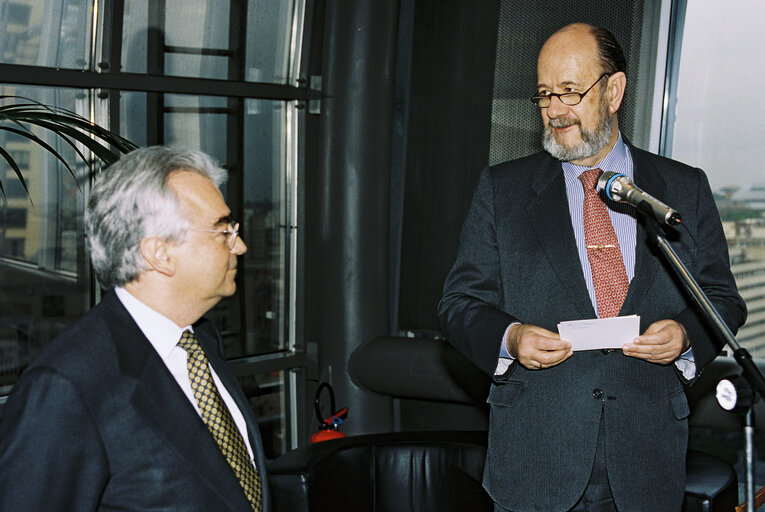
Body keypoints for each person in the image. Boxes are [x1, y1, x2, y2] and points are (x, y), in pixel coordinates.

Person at [438, 23, 746, 512]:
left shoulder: (681, 189)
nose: (555, 110)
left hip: (648, 463)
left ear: (614, 90)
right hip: (537, 462)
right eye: (544, 95)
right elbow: (458, 304)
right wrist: (511, 337)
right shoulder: (503, 189)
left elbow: (724, 299)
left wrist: (687, 335)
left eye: (570, 92)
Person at [0, 147, 270, 511]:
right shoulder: (67, 385)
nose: (239, 245)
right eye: (222, 231)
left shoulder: (200, 341)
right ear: (159, 253)